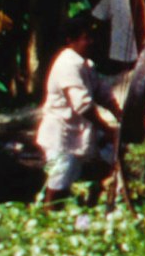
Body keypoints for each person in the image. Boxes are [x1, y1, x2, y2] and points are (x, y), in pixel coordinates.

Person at [37, 12, 116, 202]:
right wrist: (105, 127)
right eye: (85, 38)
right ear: (71, 40)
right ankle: (49, 220)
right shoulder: (67, 64)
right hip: (60, 133)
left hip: (77, 131)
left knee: (108, 157)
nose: (91, 42)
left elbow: (101, 92)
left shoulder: (85, 64)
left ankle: (96, 200)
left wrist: (119, 113)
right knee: (59, 181)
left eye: (91, 37)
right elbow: (83, 106)